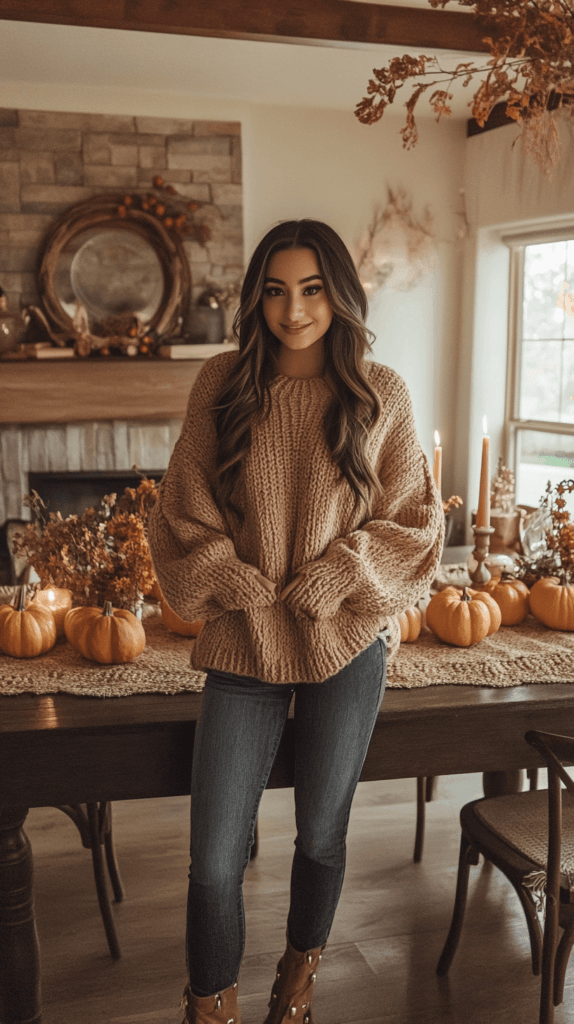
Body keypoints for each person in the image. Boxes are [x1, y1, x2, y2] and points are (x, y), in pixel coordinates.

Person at [147, 219, 444, 1024]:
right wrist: (220, 571)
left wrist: (346, 569)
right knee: (212, 861)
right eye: (275, 290)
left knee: (320, 837)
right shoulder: (221, 383)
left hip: (344, 645)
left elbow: (416, 520)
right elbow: (180, 507)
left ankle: (298, 979)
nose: (294, 308)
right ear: (256, 298)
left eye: (312, 288)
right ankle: (209, 1009)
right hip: (242, 645)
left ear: (340, 294)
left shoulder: (382, 392)